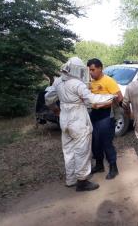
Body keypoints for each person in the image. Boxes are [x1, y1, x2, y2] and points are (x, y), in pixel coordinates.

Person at [45, 57, 115, 191]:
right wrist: (110, 97)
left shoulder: (58, 82)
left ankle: (70, 179)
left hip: (64, 119)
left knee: (68, 151)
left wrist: (55, 109)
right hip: (78, 119)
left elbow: (48, 98)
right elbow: (91, 99)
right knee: (82, 151)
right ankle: (82, 181)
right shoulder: (77, 83)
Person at [87, 58, 123, 179]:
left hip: (107, 115)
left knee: (106, 142)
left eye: (93, 69)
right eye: (89, 70)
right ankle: (99, 165)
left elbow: (119, 97)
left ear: (100, 68)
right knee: (95, 142)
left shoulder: (108, 81)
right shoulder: (90, 83)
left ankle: (114, 168)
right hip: (94, 115)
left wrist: (109, 103)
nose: (91, 72)